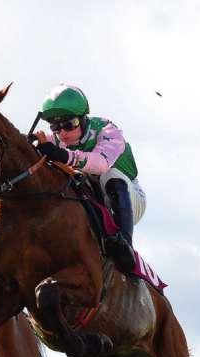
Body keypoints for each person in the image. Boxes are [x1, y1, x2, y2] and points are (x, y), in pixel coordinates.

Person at [33, 84, 146, 272]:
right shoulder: (56, 139)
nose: (63, 133)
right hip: (94, 195)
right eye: (56, 127)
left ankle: (125, 244)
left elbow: (100, 164)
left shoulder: (108, 130)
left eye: (69, 125)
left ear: (83, 119)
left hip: (130, 197)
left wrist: (62, 155)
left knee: (110, 174)